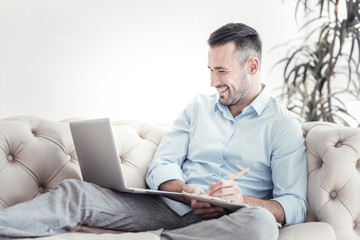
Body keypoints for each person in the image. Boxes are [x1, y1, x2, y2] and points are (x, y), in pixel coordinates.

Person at [0, 23, 307, 240]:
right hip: (171, 209)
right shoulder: (198, 108)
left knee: (261, 224)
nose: (213, 81)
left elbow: (293, 204)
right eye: (210, 70)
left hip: (230, 223)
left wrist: (242, 200)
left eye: (222, 71)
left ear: (252, 67)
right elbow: (163, 163)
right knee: (77, 192)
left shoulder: (282, 126)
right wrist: (185, 191)